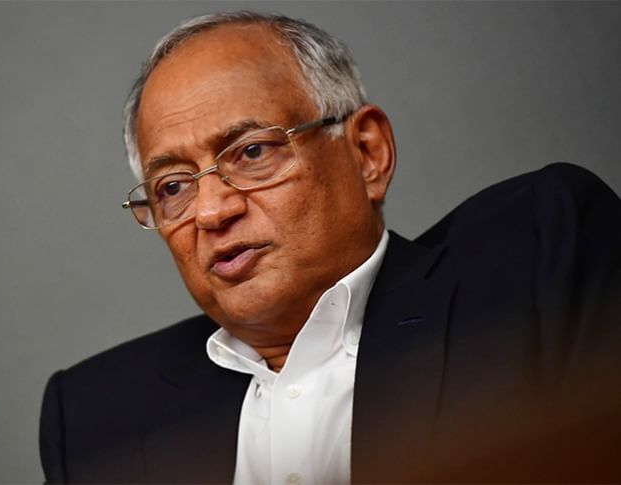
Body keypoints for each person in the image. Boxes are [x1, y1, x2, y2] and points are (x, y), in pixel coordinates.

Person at [39, 11, 621, 483]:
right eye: (173, 187)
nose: (212, 212)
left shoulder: (531, 262)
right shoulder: (96, 415)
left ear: (367, 153)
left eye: (252, 152)